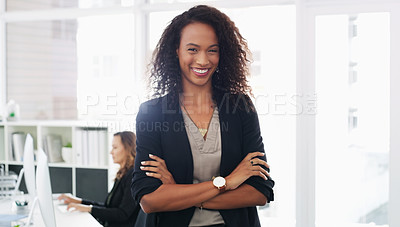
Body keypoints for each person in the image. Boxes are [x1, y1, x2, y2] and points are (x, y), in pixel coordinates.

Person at [131, 5, 274, 227]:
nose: (203, 60)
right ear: (176, 51)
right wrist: (227, 182)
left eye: (212, 50)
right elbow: (149, 200)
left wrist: (182, 194)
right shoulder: (152, 113)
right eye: (192, 49)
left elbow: (260, 191)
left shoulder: (240, 107)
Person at [58, 131, 140, 227]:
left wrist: (88, 209)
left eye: (115, 147)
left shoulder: (132, 176)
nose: (111, 152)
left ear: (128, 148)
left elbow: (122, 214)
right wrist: (78, 201)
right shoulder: (123, 174)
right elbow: (108, 207)